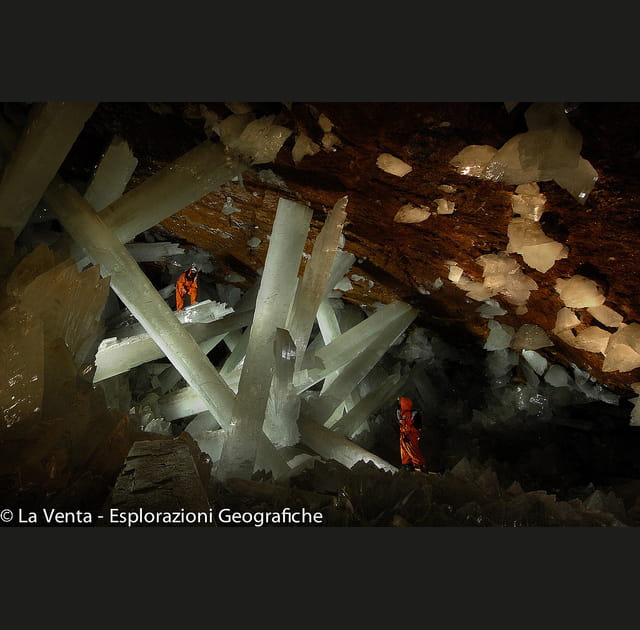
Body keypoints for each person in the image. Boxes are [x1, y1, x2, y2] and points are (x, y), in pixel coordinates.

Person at [396, 396, 427, 472]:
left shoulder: (412, 414)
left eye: (400, 402)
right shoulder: (401, 413)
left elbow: (416, 426)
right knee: (405, 453)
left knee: (413, 451)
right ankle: (409, 466)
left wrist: (408, 431)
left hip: (411, 435)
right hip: (404, 435)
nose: (399, 404)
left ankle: (421, 467)